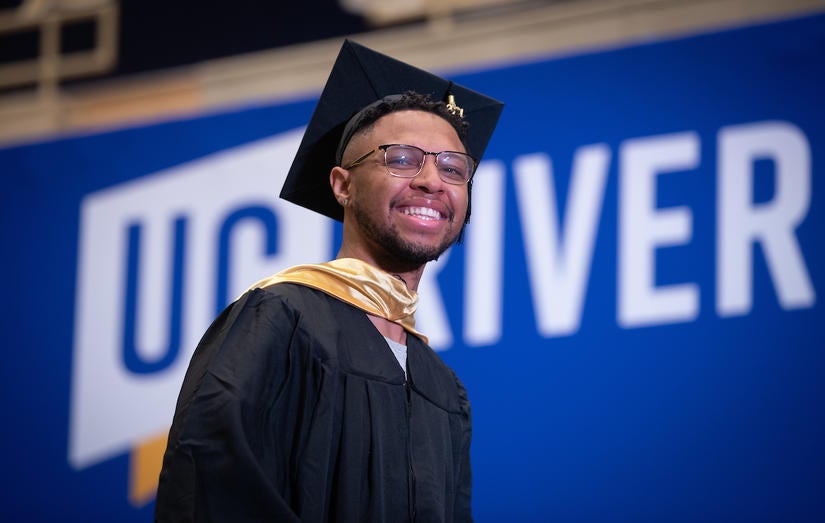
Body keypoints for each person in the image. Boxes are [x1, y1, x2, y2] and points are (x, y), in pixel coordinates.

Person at [155, 40, 503, 522]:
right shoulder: (281, 318)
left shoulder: (443, 388)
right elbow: (212, 484)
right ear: (342, 184)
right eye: (402, 159)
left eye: (453, 168)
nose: (431, 181)